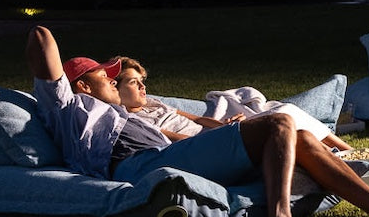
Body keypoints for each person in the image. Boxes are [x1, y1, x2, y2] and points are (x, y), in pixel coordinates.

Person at [25, 25, 369, 217]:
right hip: (141, 168)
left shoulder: (131, 110)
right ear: (79, 85)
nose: (115, 82)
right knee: (279, 120)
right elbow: (40, 37)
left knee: (299, 137)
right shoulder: (69, 107)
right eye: (106, 77)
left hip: (169, 155)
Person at [108, 55, 352, 150]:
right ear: (115, 87)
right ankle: (346, 153)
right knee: (283, 116)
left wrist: (223, 125)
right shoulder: (129, 120)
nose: (142, 86)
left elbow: (194, 118)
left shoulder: (152, 103)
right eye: (133, 82)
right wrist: (218, 136)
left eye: (142, 81)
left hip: (219, 133)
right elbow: (170, 136)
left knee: (283, 111)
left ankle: (345, 152)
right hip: (204, 145)